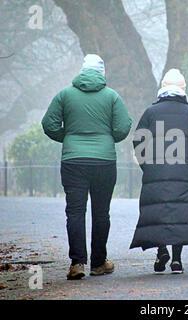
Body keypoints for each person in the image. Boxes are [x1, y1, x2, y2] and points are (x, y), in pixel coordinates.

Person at [42, 54, 132, 280]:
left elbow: (48, 124)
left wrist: (70, 137)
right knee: (101, 212)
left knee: (75, 211)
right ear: (102, 73)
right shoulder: (112, 96)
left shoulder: (65, 95)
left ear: (82, 71)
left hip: (73, 161)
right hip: (104, 161)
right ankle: (99, 263)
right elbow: (123, 128)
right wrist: (105, 138)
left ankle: (77, 263)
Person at [130, 68, 188, 274]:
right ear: (183, 90)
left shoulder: (150, 113)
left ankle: (161, 251)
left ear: (162, 88)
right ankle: (177, 260)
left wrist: (147, 166)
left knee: (160, 211)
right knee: (180, 213)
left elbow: (138, 141)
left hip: (157, 172)